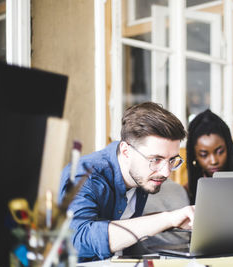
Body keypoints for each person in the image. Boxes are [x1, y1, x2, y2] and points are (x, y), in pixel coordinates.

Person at [58, 102, 195, 262]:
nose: (166, 172)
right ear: (125, 151)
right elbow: (77, 239)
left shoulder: (142, 175)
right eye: (156, 159)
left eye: (172, 160)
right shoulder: (84, 175)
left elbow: (124, 224)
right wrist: (167, 219)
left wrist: (174, 220)